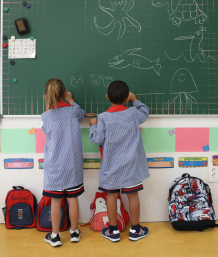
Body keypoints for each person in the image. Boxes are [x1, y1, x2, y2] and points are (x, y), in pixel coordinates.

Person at [89, 80, 150, 242]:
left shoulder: (102, 118)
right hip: (131, 166)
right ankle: (136, 230)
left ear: (107, 97)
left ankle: (113, 231)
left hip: (111, 166)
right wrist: (135, 100)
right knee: (133, 196)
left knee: (111, 196)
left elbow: (97, 139)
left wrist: (92, 126)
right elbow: (145, 112)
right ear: (126, 98)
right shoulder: (133, 114)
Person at [41, 78, 85, 247]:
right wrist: (71, 100)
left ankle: (55, 236)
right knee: (73, 199)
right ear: (64, 93)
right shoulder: (73, 111)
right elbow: (81, 114)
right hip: (72, 166)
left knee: (55, 201)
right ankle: (74, 232)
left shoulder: (46, 116)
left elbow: (47, 131)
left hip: (55, 167)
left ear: (46, 96)